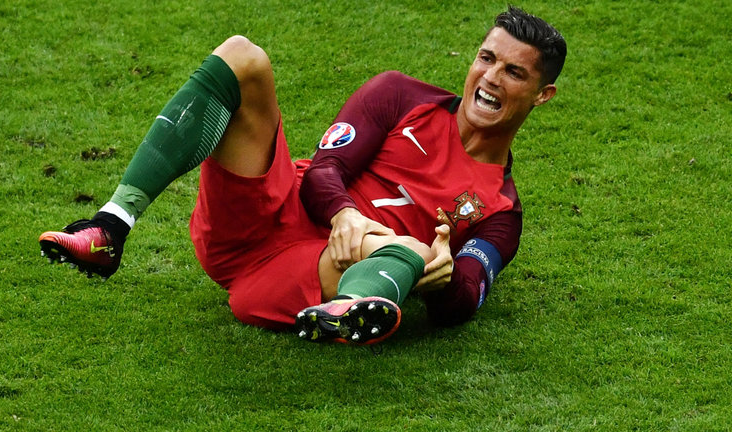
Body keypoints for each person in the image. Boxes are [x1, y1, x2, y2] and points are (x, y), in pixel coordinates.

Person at [39, 7, 566, 345]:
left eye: (514, 72)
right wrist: (345, 214)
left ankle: (346, 311)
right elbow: (325, 172)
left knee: (418, 249)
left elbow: (466, 297)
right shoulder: (401, 96)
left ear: (542, 96)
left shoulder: (500, 212)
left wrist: (445, 280)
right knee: (243, 57)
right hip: (265, 214)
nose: (490, 79)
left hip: (318, 272)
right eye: (486, 58)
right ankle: (110, 226)